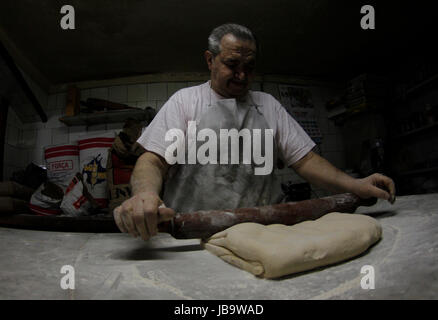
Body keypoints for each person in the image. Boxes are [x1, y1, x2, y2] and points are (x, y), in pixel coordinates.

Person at [113, 23, 396, 241]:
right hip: (191, 231)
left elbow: (306, 161)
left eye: (249, 67)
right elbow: (153, 161)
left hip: (262, 231)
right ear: (210, 60)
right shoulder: (186, 102)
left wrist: (356, 185)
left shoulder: (267, 105)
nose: (242, 75)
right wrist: (144, 194)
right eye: (232, 65)